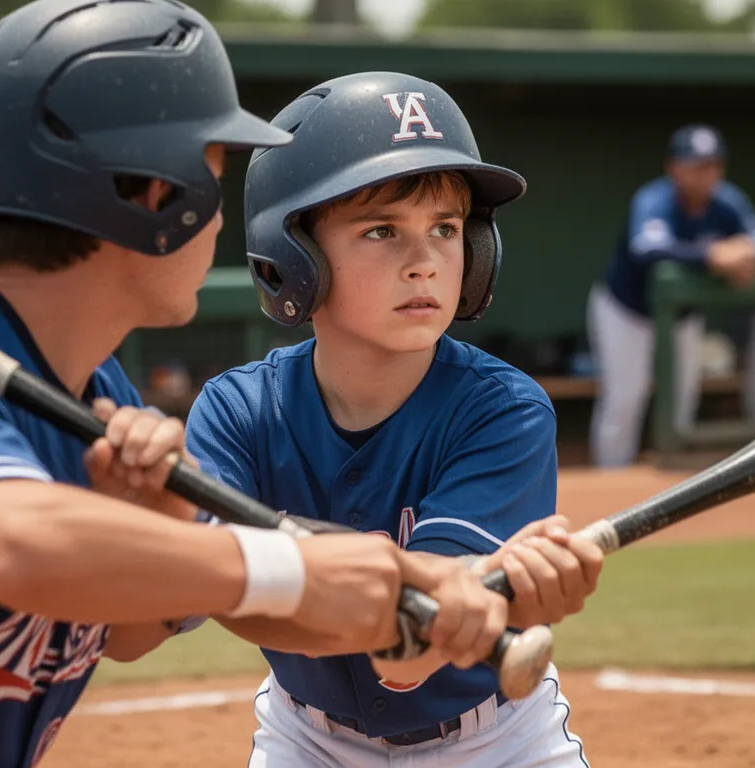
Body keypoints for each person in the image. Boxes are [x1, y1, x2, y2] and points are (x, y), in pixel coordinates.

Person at [0, 5, 502, 766]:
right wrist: (288, 566)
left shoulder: (92, 393)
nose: (219, 219)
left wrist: (160, 517)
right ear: (154, 194)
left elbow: (132, 633)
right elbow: (11, 543)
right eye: (212, 171)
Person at [185, 72, 604, 768]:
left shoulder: (501, 409)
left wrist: (421, 614)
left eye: (445, 229)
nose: (425, 263)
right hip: (305, 737)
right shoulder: (237, 413)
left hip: (497, 742)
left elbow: (409, 655)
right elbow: (190, 588)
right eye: (382, 230)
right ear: (294, 260)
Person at [587, 123, 755, 468]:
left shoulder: (727, 200)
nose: (706, 174)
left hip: (682, 317)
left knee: (682, 401)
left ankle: (674, 476)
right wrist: (713, 254)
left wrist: (745, 254)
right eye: (696, 165)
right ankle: (612, 479)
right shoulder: (654, 199)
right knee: (624, 399)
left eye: (713, 165)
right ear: (674, 168)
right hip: (626, 312)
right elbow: (646, 249)